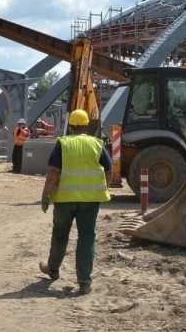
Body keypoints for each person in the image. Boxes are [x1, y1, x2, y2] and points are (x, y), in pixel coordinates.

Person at [39, 109, 112, 295]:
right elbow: (109, 170)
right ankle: (85, 282)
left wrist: (45, 194)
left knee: (60, 235)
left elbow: (53, 172)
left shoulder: (63, 144)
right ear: (87, 126)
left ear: (70, 126)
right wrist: (103, 188)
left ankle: (53, 269)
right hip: (90, 201)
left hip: (64, 200)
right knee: (87, 238)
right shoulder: (97, 144)